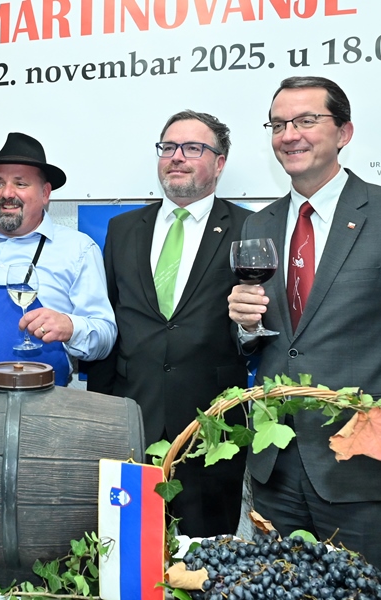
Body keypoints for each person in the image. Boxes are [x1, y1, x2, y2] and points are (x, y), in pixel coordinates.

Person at [227, 76, 381, 573]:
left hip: (367, 472)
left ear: (344, 132)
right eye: (278, 124)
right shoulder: (258, 225)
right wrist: (246, 325)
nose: (290, 134)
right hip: (275, 469)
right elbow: (268, 343)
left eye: (306, 120)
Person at [85, 111, 251, 537]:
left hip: (210, 429)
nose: (177, 157)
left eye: (193, 148)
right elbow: (111, 321)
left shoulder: (248, 227)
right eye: (168, 147)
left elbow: (258, 328)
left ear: (219, 163)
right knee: (127, 550)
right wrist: (101, 414)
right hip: (131, 421)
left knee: (206, 558)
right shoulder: (123, 229)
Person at [0, 132, 116, 386]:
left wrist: (71, 327)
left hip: (42, 402)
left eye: (20, 183)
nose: (7, 193)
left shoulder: (78, 250)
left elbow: (105, 336)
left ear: (45, 193)